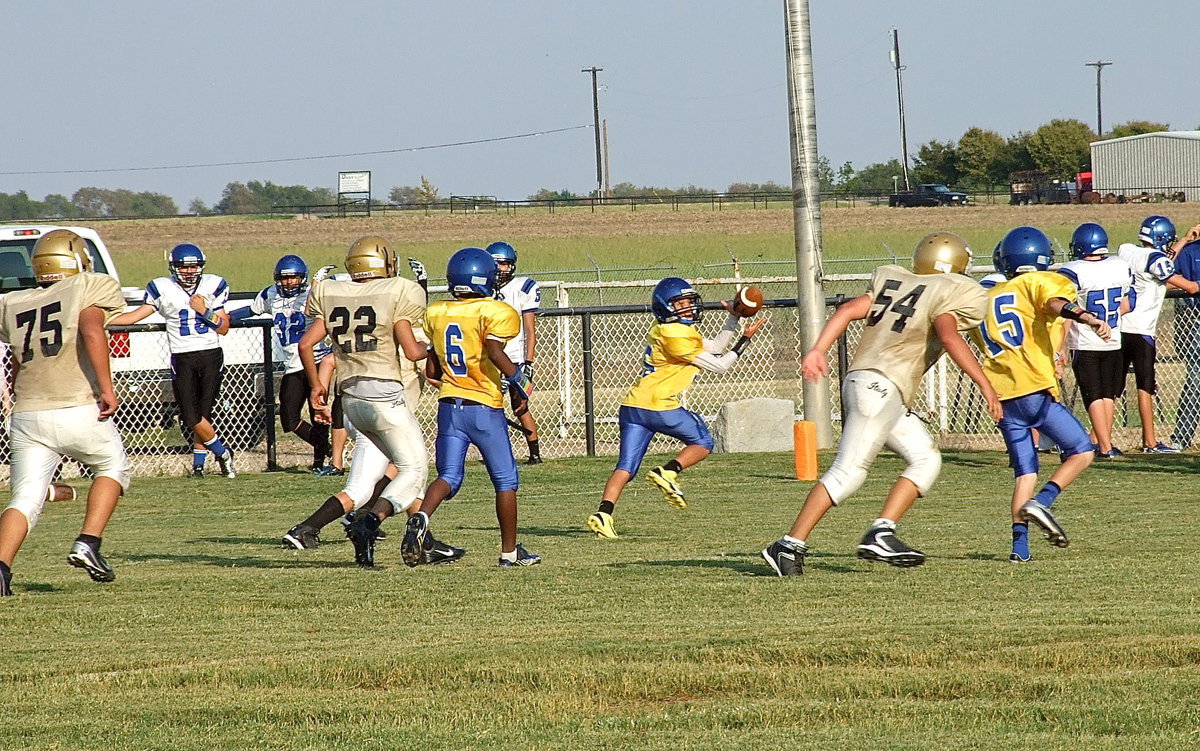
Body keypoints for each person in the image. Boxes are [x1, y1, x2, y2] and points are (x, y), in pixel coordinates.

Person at [761, 233, 1000, 576]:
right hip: (881, 388)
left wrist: (818, 350)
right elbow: (948, 335)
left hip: (872, 386)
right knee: (849, 470)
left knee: (925, 458)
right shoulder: (951, 292)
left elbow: (845, 310)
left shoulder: (895, 281)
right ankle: (788, 545)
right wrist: (985, 383)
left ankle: (882, 531)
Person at [0, 230, 131, 596]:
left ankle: (0, 570)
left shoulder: (12, 301)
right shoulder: (89, 285)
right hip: (75, 403)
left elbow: (14, 355)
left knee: (25, 497)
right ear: (77, 259)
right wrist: (106, 388)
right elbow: (92, 332)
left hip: (27, 414)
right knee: (111, 467)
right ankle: (88, 542)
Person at [586, 277, 764, 540]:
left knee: (625, 466)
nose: (689, 307)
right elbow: (720, 364)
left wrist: (733, 319)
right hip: (659, 406)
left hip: (632, 405)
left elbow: (714, 347)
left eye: (689, 302)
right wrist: (745, 340)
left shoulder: (667, 331)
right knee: (703, 442)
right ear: (665, 307)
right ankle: (668, 471)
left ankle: (603, 514)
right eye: (681, 303)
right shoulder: (675, 335)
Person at [399, 247, 540, 568]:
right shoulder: (496, 311)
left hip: (449, 406)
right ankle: (509, 553)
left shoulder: (436, 313)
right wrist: (518, 378)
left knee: (448, 475)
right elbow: (493, 348)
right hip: (483, 408)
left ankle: (421, 515)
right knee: (505, 480)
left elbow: (432, 372)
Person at [974, 226, 1108, 563]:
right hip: (1032, 388)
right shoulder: (1036, 283)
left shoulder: (985, 296)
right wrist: (1088, 317)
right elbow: (1055, 302)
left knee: (1025, 471)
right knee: (1082, 450)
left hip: (1002, 396)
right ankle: (1043, 501)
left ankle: (1020, 548)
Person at [299, 236, 429, 567]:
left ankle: (420, 536)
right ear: (384, 263)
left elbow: (305, 346)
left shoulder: (331, 291)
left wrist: (316, 387)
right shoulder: (398, 293)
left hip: (351, 397)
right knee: (414, 470)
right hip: (384, 393)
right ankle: (367, 523)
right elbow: (414, 352)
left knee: (379, 475)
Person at [110, 243, 234, 478]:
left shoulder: (213, 284)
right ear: (173, 267)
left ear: (201, 266)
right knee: (190, 416)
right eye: (183, 266)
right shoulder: (161, 287)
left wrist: (205, 311)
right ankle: (223, 453)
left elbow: (224, 328)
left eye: (193, 266)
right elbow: (134, 316)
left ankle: (198, 466)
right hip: (182, 355)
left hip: (210, 353)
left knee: (203, 414)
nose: (189, 271)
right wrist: (100, 321)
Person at [231, 255, 332, 472]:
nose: (289, 282)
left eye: (294, 278)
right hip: (293, 364)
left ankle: (319, 463)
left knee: (318, 415)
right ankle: (331, 451)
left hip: (316, 360)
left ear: (303, 278)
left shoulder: (313, 294)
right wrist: (224, 319)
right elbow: (251, 310)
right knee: (289, 418)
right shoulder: (270, 294)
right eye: (285, 278)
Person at [1056, 223, 1132, 459]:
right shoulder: (1119, 266)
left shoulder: (1073, 270)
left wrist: (1060, 347)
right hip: (1113, 338)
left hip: (1087, 341)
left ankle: (1105, 447)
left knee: (1094, 395)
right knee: (1108, 394)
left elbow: (1067, 310)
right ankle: (1106, 443)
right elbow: (1128, 303)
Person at [487, 241, 543, 464]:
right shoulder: (483, 289)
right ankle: (498, 454)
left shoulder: (522, 287)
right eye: (497, 264)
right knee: (490, 407)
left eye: (505, 264)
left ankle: (535, 453)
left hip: (515, 358)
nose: (502, 269)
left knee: (520, 406)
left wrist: (528, 362)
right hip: (489, 358)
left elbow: (530, 329)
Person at [1170, 222, 1200, 448]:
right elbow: (1162, 271)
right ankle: (1181, 438)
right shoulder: (1190, 252)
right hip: (1195, 322)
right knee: (1195, 380)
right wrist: (1185, 240)